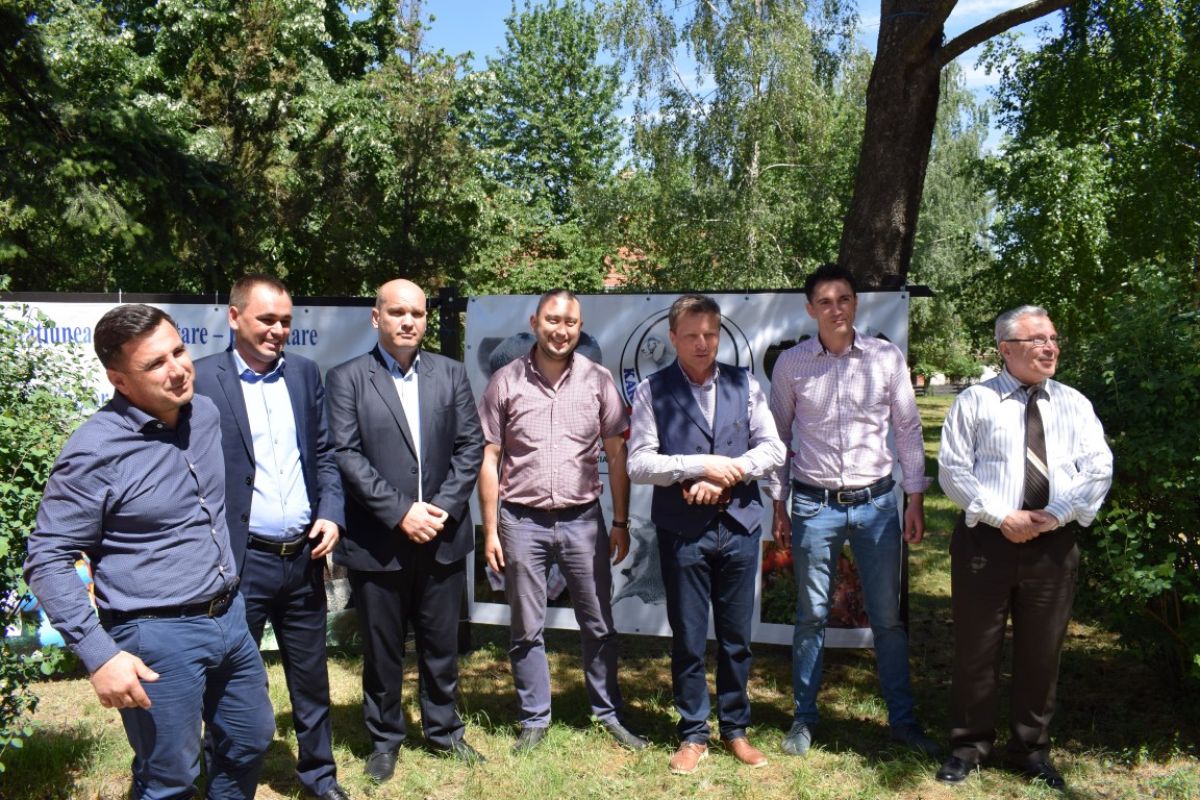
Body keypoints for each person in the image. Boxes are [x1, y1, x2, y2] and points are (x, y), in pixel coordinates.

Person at [24, 304, 275, 799]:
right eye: (155, 364)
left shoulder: (205, 413)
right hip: (156, 636)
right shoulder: (95, 450)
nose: (177, 370)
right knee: (169, 778)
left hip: (229, 616)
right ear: (119, 380)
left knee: (249, 739)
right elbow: (47, 558)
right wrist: (99, 656)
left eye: (178, 351)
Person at [936, 305, 1112, 791]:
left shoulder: (1074, 404)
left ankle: (1031, 749)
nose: (1049, 347)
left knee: (1042, 652)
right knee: (976, 649)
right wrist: (1002, 517)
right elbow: (953, 469)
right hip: (985, 543)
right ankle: (968, 746)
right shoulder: (975, 401)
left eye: (1052, 338)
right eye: (1037, 339)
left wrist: (1055, 514)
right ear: (1006, 349)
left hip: (1053, 546)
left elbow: (1098, 468)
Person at [766, 263, 938, 758]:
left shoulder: (886, 358)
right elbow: (778, 437)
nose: (835, 309)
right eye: (825, 301)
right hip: (813, 505)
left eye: (843, 299)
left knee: (887, 619)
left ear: (856, 303)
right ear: (810, 309)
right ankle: (804, 719)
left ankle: (903, 721)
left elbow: (907, 429)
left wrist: (915, 496)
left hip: (878, 504)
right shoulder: (792, 364)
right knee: (811, 616)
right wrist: (778, 502)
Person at [194, 275, 349, 800]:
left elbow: (324, 454)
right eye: (266, 319)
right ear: (234, 316)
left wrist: (331, 514)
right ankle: (225, 778)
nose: (278, 330)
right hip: (242, 561)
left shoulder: (304, 374)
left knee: (311, 678)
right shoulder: (202, 379)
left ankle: (320, 778)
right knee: (231, 681)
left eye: (285, 321)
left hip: (304, 557)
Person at [326, 279, 485, 781]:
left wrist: (439, 509)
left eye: (417, 313)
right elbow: (346, 454)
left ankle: (444, 731)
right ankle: (385, 739)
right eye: (397, 312)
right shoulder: (347, 378)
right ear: (377, 317)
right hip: (379, 541)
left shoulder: (450, 373)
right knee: (382, 649)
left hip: (441, 536)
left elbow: (470, 446)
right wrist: (400, 512)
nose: (409, 321)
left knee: (441, 645)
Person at [477, 289, 647, 754]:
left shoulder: (598, 380)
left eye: (570, 322)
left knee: (599, 623)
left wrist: (620, 522)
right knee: (525, 627)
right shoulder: (505, 381)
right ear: (535, 322)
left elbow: (617, 454)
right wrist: (490, 529)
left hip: (583, 522)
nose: (561, 330)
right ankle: (534, 718)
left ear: (580, 327)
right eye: (552, 320)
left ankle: (607, 712)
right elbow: (489, 458)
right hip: (521, 521)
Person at [628, 294, 785, 775]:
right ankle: (693, 733)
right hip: (683, 533)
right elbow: (639, 463)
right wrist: (698, 466)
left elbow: (773, 449)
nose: (703, 343)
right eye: (692, 335)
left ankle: (735, 729)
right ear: (673, 337)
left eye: (711, 334)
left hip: (739, 527)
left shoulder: (746, 384)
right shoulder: (651, 391)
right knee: (689, 638)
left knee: (737, 637)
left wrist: (727, 474)